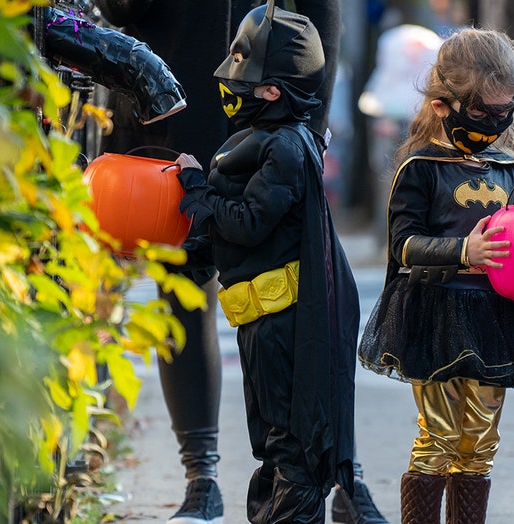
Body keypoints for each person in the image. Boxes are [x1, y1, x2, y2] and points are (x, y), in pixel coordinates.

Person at [92, 1, 388, 522]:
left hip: (273, 114)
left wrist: (306, 124)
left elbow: (322, 11)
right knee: (182, 289)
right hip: (170, 104)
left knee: (306, 303)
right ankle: (201, 478)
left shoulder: (289, 135)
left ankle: (344, 475)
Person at [357, 28, 514, 524]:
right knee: (437, 437)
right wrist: (463, 250)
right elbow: (404, 244)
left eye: (505, 114)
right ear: (441, 104)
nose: (494, 125)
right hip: (437, 311)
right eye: (480, 114)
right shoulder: (421, 167)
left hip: (497, 318)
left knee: (480, 441)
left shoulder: (511, 171)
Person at [172, 2, 360, 522]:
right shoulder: (263, 141)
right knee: (273, 442)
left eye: (244, 79)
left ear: (272, 91)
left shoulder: (286, 147)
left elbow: (248, 222)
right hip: (261, 321)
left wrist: (196, 190)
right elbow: (242, 237)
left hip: (283, 326)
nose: (232, 88)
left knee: (290, 444)